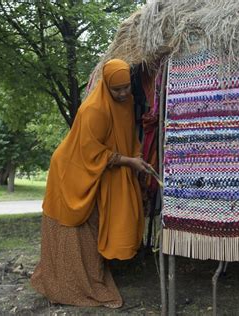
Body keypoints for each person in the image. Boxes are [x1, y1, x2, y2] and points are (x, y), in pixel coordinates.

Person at [31, 59, 147, 308]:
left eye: (126, 87)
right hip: (73, 172)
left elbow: (126, 137)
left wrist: (136, 156)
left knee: (94, 225)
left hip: (97, 171)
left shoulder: (125, 103)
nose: (123, 93)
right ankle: (70, 285)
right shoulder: (94, 110)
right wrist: (129, 162)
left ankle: (90, 277)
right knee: (77, 228)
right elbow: (92, 152)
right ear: (106, 86)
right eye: (117, 89)